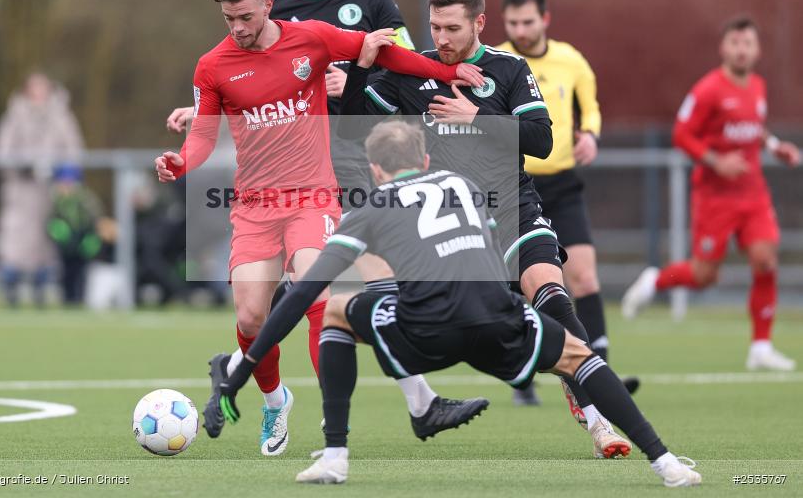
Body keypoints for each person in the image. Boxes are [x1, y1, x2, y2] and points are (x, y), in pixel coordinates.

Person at [211, 121, 702, 488]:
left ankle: (335, 455)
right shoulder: (466, 186)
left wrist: (240, 371)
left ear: (376, 170)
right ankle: (666, 464)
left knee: (336, 309)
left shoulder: (371, 206)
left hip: (426, 332)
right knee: (579, 355)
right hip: (498, 320)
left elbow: (300, 294)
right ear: (425, 162)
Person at [168, 0, 487, 442]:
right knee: (253, 316)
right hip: (260, 200)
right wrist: (189, 138)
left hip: (350, 169)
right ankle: (284, 399)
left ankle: (353, 417)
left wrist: (444, 69)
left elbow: (393, 61)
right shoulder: (254, 31)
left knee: (328, 291)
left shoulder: (364, 2)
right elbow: (233, 104)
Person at [336, 0, 631, 458]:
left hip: (513, 206)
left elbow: (541, 141)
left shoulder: (509, 68)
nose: (443, 39)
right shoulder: (412, 73)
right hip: (456, 227)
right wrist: (360, 67)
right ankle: (424, 403)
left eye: (453, 28)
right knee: (484, 334)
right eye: (435, 27)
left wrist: (477, 117)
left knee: (553, 297)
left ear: (479, 23)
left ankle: (598, 422)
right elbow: (350, 129)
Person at [622, 16, 800, 371]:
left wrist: (776, 146)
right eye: (734, 43)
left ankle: (761, 346)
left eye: (747, 43)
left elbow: (755, 127)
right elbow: (682, 135)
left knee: (766, 260)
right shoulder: (708, 89)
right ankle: (654, 280)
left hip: (752, 194)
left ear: (757, 50)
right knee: (705, 276)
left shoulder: (758, 87)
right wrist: (716, 161)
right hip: (714, 196)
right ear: (724, 48)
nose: (741, 50)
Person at [497, 0, 639, 395]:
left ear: (545, 19)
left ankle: (600, 373)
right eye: (512, 23)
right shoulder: (499, 62)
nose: (520, 30)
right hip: (515, 187)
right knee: (523, 285)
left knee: (584, 278)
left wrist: (590, 133)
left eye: (527, 21)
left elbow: (590, 106)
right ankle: (524, 378)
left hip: (562, 185)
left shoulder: (570, 60)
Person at [0, 71, 84, 307]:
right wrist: (24, 167)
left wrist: (64, 176)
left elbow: (74, 152)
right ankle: (11, 286)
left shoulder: (62, 118)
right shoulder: (14, 117)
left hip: (51, 193)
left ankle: (41, 287)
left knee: (48, 240)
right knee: (15, 238)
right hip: (20, 192)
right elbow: (1, 153)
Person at [46, 164, 103, 306]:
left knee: (81, 274)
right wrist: (57, 231)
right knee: (65, 274)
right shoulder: (56, 200)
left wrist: (92, 238)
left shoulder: (85, 199)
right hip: (65, 245)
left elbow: (95, 219)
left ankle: (79, 300)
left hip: (81, 242)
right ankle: (67, 300)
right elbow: (50, 221)